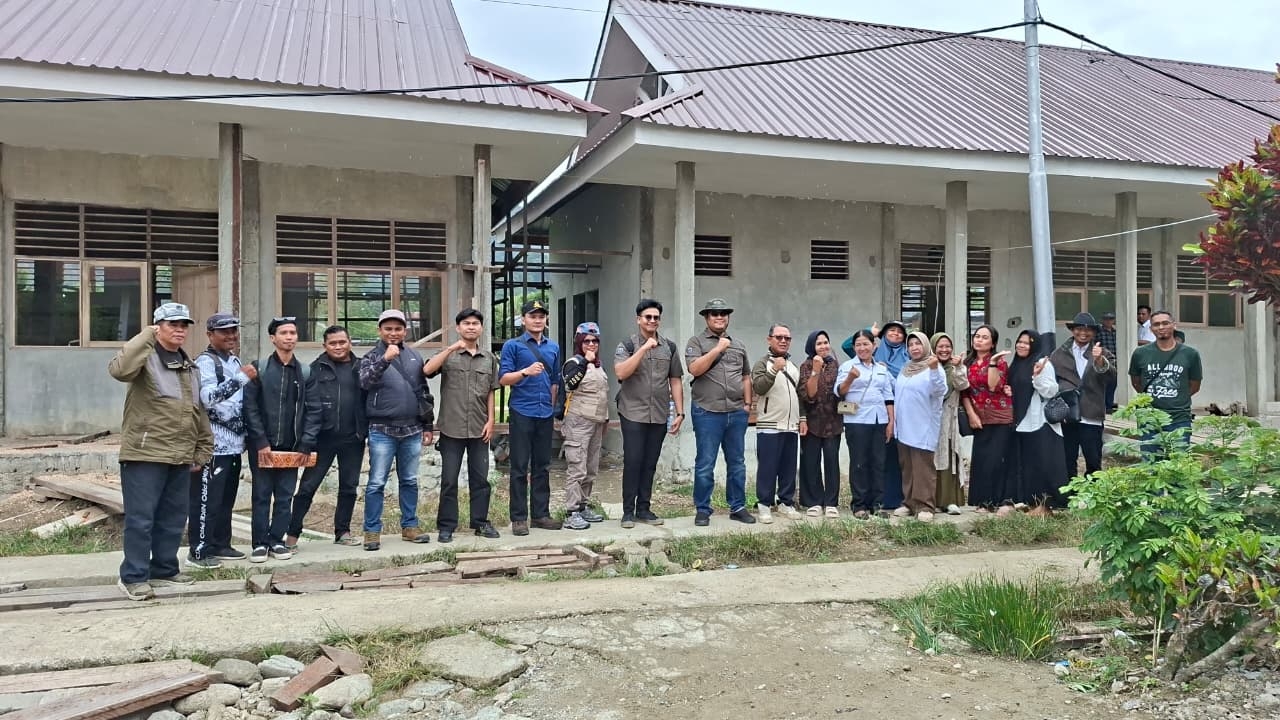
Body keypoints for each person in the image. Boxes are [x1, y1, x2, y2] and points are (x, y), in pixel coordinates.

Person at [109, 303, 213, 600]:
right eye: (172, 324)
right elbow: (119, 370)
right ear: (157, 327)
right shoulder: (145, 359)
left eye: (183, 325)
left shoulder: (189, 366)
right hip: (145, 453)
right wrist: (146, 336)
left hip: (180, 454)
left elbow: (197, 411)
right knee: (141, 519)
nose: (180, 330)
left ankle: (164, 570)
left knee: (173, 517)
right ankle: (133, 577)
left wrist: (203, 449)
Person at [244, 316, 321, 563]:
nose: (289, 337)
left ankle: (277, 540)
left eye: (293, 333)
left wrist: (306, 442)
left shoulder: (305, 372)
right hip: (263, 446)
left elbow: (314, 410)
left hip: (292, 446)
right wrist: (260, 441)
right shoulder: (260, 368)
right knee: (261, 495)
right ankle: (259, 543)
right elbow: (250, 407)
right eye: (284, 333)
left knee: (285, 496)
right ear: (272, 338)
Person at [359, 309, 435, 551]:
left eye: (398, 329)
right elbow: (364, 382)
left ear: (405, 331)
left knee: (410, 480)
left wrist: (428, 425)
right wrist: (385, 360)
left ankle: (410, 526)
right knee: (376, 482)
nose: (393, 333)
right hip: (382, 429)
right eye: (388, 329)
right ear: (379, 330)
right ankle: (372, 531)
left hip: (412, 429)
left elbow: (423, 392)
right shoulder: (371, 356)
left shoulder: (414, 356)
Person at [187, 312, 256, 569]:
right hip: (213, 446)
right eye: (224, 331)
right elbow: (207, 399)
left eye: (234, 330)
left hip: (234, 445)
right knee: (207, 500)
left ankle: (221, 544)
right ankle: (199, 551)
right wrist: (241, 378)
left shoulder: (233, 360)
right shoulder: (205, 362)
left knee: (226, 500)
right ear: (210, 335)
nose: (231, 335)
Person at [425, 309, 501, 543]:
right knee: (449, 480)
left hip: (479, 428)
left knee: (481, 480)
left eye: (475, 323)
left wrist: (491, 420)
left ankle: (480, 522)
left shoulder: (488, 358)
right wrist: (450, 348)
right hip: (451, 427)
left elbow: (491, 391)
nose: (471, 327)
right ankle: (447, 526)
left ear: (481, 328)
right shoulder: (449, 355)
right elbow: (427, 370)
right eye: (466, 323)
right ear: (458, 327)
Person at [288, 325, 366, 548]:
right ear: (325, 346)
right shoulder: (314, 369)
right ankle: (292, 534)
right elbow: (305, 407)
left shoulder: (361, 367)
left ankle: (343, 532)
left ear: (350, 342)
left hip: (353, 438)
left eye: (342, 342)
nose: (338, 347)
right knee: (307, 488)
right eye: (333, 343)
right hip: (322, 439)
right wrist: (306, 439)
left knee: (349, 487)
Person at [614, 299, 685, 529]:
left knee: (650, 463)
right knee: (633, 461)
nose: (652, 321)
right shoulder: (628, 345)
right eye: (648, 317)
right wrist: (644, 348)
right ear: (639, 319)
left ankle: (644, 508)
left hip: (659, 413)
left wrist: (680, 412)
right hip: (632, 412)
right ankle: (628, 511)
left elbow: (675, 379)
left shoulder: (669, 347)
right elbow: (621, 372)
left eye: (656, 317)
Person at [686, 298, 754, 526]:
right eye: (714, 313)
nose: (719, 317)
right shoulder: (696, 342)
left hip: (736, 412)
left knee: (737, 463)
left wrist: (747, 404)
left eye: (723, 313)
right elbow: (694, 369)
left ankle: (738, 507)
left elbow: (746, 376)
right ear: (707, 317)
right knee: (705, 463)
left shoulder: (739, 345)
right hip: (707, 412)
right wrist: (718, 349)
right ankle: (703, 509)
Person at [498, 300, 562, 536]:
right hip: (522, 411)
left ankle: (540, 515)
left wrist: (552, 408)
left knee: (543, 466)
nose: (537, 320)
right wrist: (525, 372)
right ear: (523, 319)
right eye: (532, 316)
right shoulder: (513, 346)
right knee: (519, 466)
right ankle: (518, 518)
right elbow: (503, 378)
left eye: (541, 316)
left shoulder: (553, 347)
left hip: (545, 413)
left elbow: (555, 380)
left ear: (546, 319)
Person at [835, 329, 895, 519]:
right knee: (859, 463)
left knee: (878, 462)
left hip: (879, 420)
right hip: (857, 420)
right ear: (854, 348)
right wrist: (851, 377)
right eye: (858, 345)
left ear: (874, 346)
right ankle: (859, 505)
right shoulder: (847, 366)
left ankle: (877, 504)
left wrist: (891, 422)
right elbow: (839, 391)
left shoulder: (881, 369)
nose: (862, 348)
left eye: (866, 344)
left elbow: (888, 396)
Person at [1049, 313, 1116, 482]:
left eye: (1088, 330)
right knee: (1067, 457)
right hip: (1067, 413)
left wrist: (1099, 360)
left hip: (1091, 414)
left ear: (1094, 333)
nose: (1083, 333)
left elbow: (1111, 377)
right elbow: (1051, 380)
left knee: (1093, 459)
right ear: (1072, 330)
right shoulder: (1058, 354)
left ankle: (1093, 491)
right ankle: (1069, 491)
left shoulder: (1103, 353)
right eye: (1079, 329)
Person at [1008, 331, 1067, 514]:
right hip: (1022, 422)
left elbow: (1051, 391)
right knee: (1028, 466)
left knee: (1044, 465)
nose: (1021, 345)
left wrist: (1037, 377)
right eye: (1019, 341)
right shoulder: (1016, 364)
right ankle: (1030, 502)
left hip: (1040, 422)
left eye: (1027, 343)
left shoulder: (1042, 363)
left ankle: (1046, 504)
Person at [558, 322, 610, 530]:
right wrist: (584, 362)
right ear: (579, 342)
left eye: (595, 341)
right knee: (577, 467)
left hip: (596, 422)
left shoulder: (598, 365)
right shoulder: (573, 362)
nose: (591, 344)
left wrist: (605, 420)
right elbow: (570, 383)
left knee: (591, 468)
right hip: (578, 422)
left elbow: (601, 394)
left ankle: (583, 506)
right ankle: (571, 512)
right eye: (586, 341)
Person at [750, 324, 804, 523]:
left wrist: (802, 418)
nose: (783, 341)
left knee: (789, 467)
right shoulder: (762, 364)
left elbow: (799, 394)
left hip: (791, 425)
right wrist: (774, 370)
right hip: (769, 425)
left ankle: (786, 502)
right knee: (767, 467)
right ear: (769, 339)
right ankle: (764, 504)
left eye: (787, 338)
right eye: (779, 337)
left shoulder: (793, 366)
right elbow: (759, 388)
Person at [891, 332, 948, 521]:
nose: (914, 347)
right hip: (904, 425)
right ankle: (909, 503)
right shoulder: (906, 367)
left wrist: (934, 369)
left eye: (918, 343)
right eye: (911, 344)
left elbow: (940, 390)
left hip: (923, 426)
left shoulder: (933, 366)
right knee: (907, 467)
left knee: (923, 468)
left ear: (925, 345)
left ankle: (925, 506)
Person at [1128, 310, 1203, 451]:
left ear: (1174, 325)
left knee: (1179, 461)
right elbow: (1136, 382)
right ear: (1151, 328)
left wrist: (1178, 398)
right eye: (1156, 324)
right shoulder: (1140, 353)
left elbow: (1195, 385)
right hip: (1149, 417)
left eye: (1165, 323)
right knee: (1150, 460)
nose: (1161, 327)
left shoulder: (1190, 354)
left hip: (1179, 418)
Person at [962, 325, 1014, 513]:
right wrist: (971, 414)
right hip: (978, 416)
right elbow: (964, 392)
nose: (979, 340)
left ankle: (998, 501)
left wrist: (992, 362)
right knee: (981, 460)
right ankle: (982, 501)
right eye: (977, 336)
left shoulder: (1000, 362)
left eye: (985, 337)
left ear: (993, 343)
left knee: (996, 459)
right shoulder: (967, 363)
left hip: (999, 416)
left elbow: (993, 386)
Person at [797, 330, 842, 518]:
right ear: (812, 347)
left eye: (825, 342)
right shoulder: (806, 366)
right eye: (819, 343)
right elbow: (809, 395)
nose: (823, 346)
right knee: (811, 462)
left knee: (832, 461)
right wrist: (816, 370)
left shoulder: (835, 365)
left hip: (833, 422)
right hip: (812, 422)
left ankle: (831, 502)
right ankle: (814, 501)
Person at [930, 332, 969, 515]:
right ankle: (934, 500)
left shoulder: (955, 368)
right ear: (933, 348)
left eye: (948, 346)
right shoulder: (928, 366)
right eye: (940, 346)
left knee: (949, 458)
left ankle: (951, 501)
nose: (944, 350)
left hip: (949, 420)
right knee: (932, 460)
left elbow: (963, 385)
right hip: (930, 420)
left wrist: (959, 367)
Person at [873, 321, 909, 512]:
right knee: (882, 454)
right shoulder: (875, 351)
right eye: (891, 330)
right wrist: (873, 333)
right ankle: (882, 498)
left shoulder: (908, 354)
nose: (895, 334)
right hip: (879, 410)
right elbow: (847, 346)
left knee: (899, 454)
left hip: (903, 409)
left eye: (899, 332)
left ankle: (900, 498)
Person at [1097, 312, 1119, 412]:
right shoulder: (1099, 332)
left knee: (1113, 383)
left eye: (1111, 319)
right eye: (1106, 319)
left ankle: (1109, 405)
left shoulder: (1116, 332)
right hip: (1103, 360)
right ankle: (1103, 405)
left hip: (1115, 361)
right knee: (1103, 384)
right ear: (1103, 320)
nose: (1108, 321)